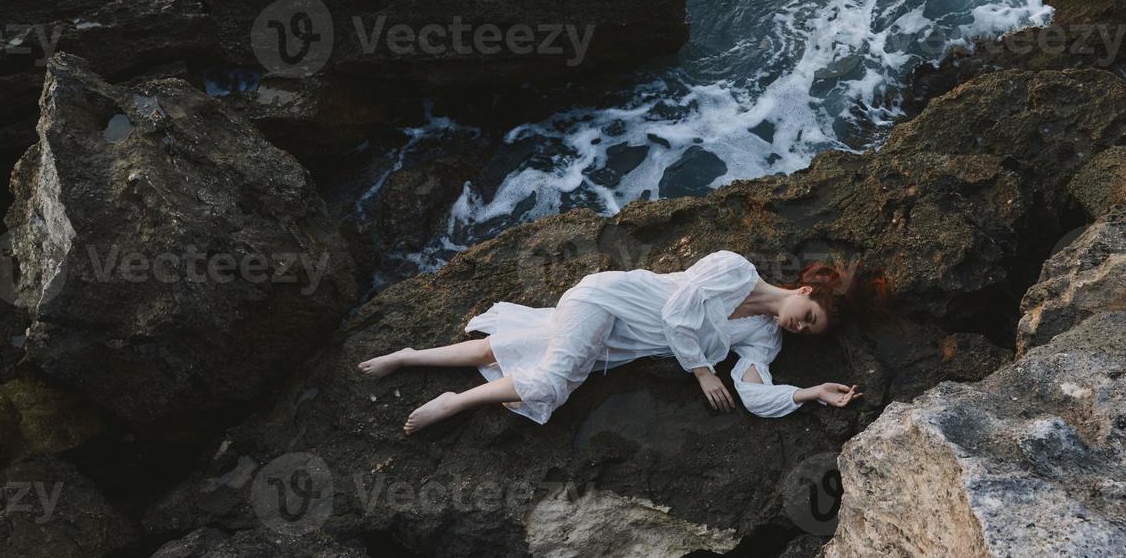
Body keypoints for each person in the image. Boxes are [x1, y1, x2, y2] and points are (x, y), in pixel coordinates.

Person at [358, 249, 868, 434]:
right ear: (803, 291)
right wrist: (702, 370)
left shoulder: (763, 339)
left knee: (505, 349)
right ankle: (454, 403)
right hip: (608, 301)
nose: (798, 327)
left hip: (618, 345)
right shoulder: (734, 268)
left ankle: (406, 356)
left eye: (808, 331)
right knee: (555, 381)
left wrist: (808, 393)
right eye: (807, 315)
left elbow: (755, 393)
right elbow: (676, 313)